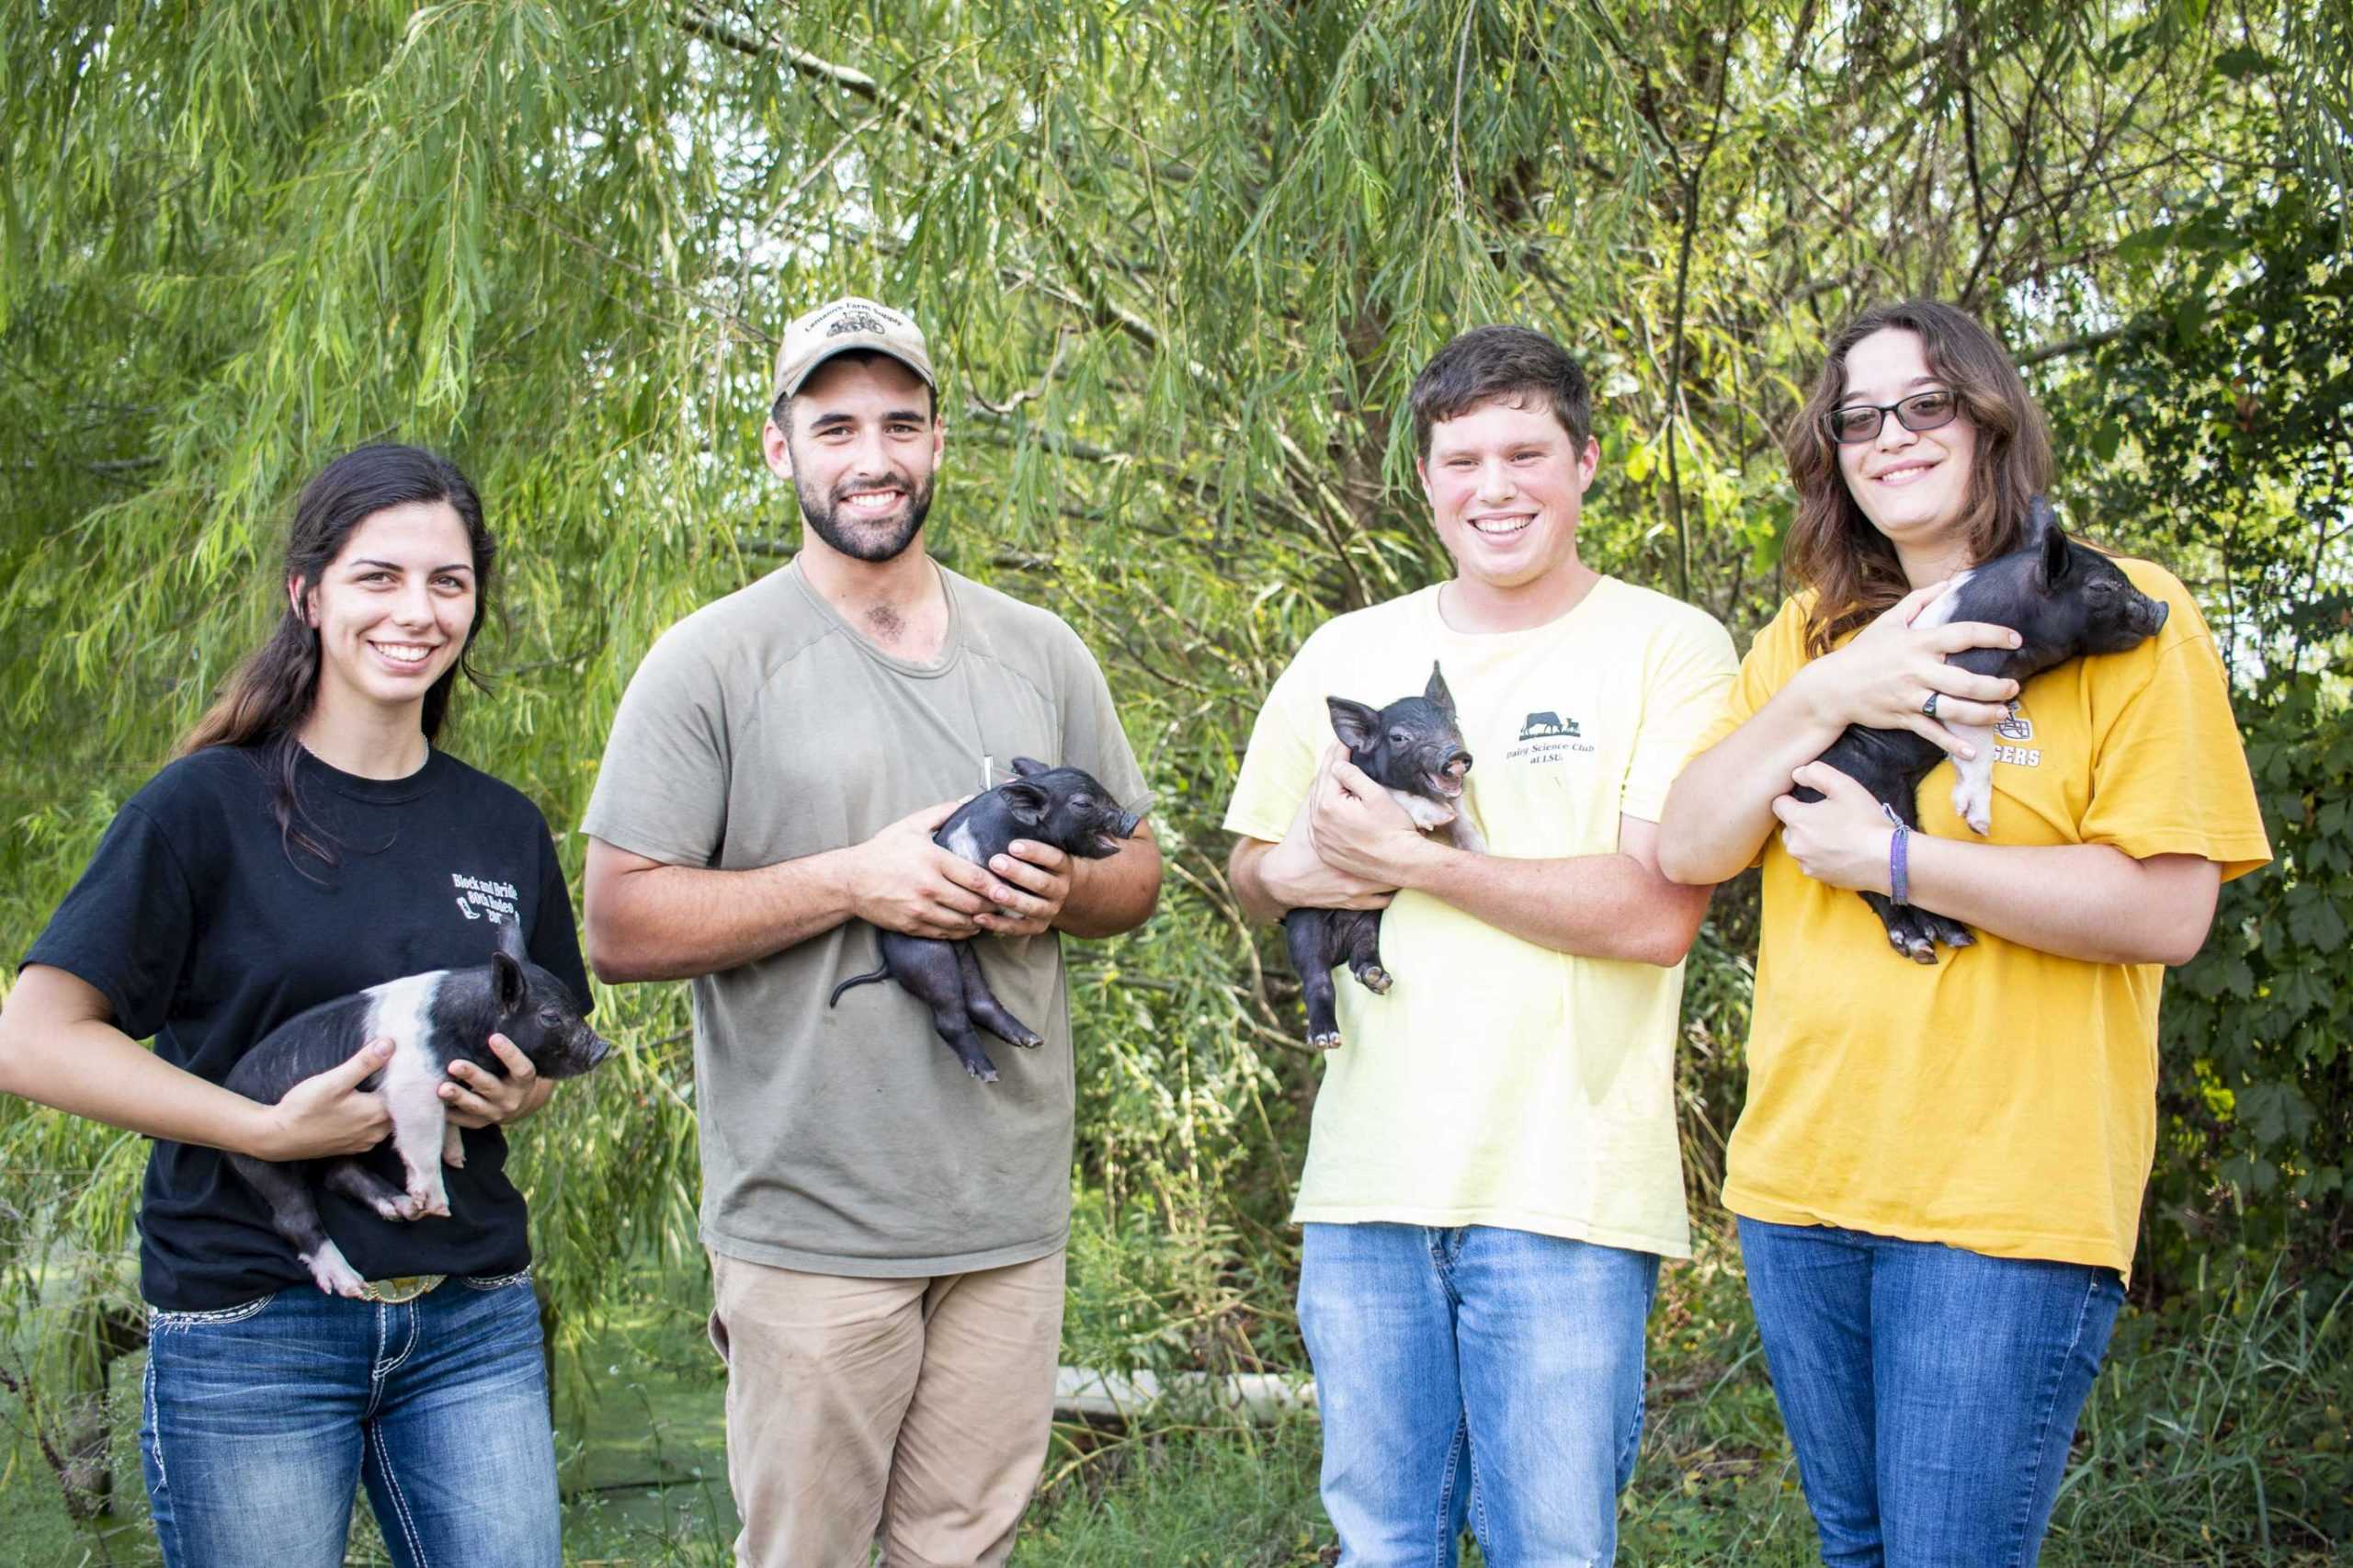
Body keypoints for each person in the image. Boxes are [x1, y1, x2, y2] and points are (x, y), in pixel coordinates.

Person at [1658, 299, 2271, 1565]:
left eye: (1925, 403)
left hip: (2003, 1198)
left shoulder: (2130, 618)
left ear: (1992, 418)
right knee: (1861, 1551)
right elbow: (1689, 844)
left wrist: (1898, 861)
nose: (1892, 436)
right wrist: (1833, 690)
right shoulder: (1808, 637)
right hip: (1803, 1184)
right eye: (1859, 417)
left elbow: (2169, 906)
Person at [579, 295, 1161, 1567]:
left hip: (1005, 1211)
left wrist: (1061, 894)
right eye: (834, 424)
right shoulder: (710, 662)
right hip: (813, 1218)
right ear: (781, 449)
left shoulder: (1042, 653)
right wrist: (855, 880)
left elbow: (1141, 874)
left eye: (901, 422)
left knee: (965, 1552)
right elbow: (619, 924)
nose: (873, 455)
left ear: (940, 441)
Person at [0, 445, 586, 1567]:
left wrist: (521, 1092)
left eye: (448, 582)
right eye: (379, 576)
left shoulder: (502, 827)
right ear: (307, 594)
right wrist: (264, 1129)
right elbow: (32, 1040)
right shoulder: (201, 806)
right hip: (253, 1327)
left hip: (471, 1321)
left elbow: (540, 1057)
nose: (416, 611)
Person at [1222, 324, 1736, 1566]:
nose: (1493, 487)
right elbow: (1251, 875)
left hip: (1565, 1191)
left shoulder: (1671, 645)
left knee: (1551, 1549)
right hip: (1367, 1185)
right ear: (1426, 479)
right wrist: (1304, 864)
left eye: (1526, 453)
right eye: (1463, 459)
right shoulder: (1343, 655)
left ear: (1587, 462)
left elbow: (1654, 912)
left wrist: (1421, 865)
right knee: (1382, 1546)